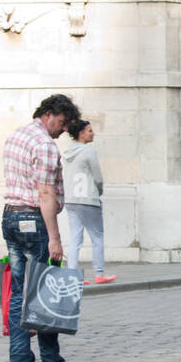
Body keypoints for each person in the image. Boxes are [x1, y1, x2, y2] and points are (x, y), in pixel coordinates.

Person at [2, 94, 86, 362]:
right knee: (45, 292)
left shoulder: (17, 136)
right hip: (32, 220)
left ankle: (20, 360)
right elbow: (45, 193)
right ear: (48, 114)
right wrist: (55, 238)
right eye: (62, 123)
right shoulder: (44, 144)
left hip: (10, 216)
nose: (63, 130)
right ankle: (51, 360)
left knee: (18, 292)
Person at [63, 119, 115, 285]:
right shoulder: (88, 151)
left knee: (75, 239)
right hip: (88, 200)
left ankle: (72, 275)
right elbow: (98, 177)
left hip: (71, 200)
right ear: (81, 134)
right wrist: (99, 192)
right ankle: (99, 273)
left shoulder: (67, 153)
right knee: (97, 237)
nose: (93, 133)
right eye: (90, 130)